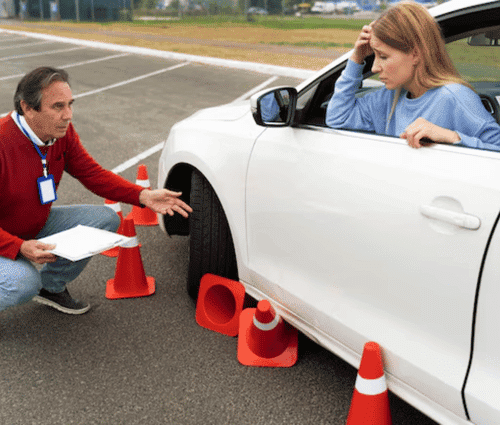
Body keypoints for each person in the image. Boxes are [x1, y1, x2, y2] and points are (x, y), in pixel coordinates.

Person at [0, 66, 192, 315]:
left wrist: (142, 195)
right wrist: (18, 247)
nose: (68, 115)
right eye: (57, 107)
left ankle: (50, 287)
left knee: (105, 219)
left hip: (31, 225)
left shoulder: (61, 134)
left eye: (70, 104)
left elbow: (92, 174)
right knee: (21, 283)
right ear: (27, 108)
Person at [325, 1, 500, 151]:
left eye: (383, 57)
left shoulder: (454, 96)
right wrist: (356, 57)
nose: (375, 67)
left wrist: (451, 137)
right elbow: (337, 118)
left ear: (415, 54)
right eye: (374, 56)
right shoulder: (387, 98)